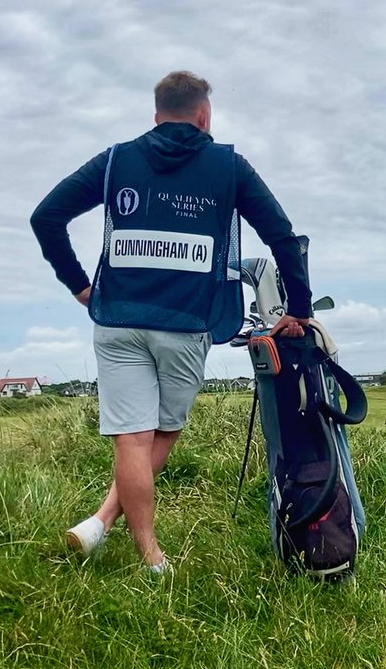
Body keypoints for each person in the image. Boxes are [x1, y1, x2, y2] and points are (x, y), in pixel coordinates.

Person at [31, 71, 313, 573]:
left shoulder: (117, 158)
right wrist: (301, 308)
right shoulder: (229, 166)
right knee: (162, 432)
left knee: (131, 438)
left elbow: (46, 216)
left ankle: (126, 541)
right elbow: (283, 238)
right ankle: (121, 535)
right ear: (204, 116)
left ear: (156, 114)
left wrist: (78, 285)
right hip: (186, 323)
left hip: (116, 320)